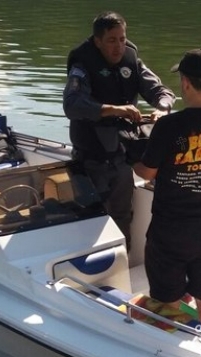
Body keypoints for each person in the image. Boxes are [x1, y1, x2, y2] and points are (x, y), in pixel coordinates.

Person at [133, 48, 201, 326]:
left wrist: (133, 152)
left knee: (167, 302)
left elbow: (146, 172)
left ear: (185, 83)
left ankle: (166, 348)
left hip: (171, 231)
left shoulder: (170, 127)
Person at [63, 11, 176, 250]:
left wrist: (162, 109)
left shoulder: (131, 59)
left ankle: (122, 259)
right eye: (112, 40)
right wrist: (114, 109)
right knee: (93, 219)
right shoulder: (82, 64)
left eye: (122, 39)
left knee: (123, 215)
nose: (118, 47)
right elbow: (72, 104)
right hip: (91, 159)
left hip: (123, 156)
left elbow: (162, 92)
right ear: (98, 41)